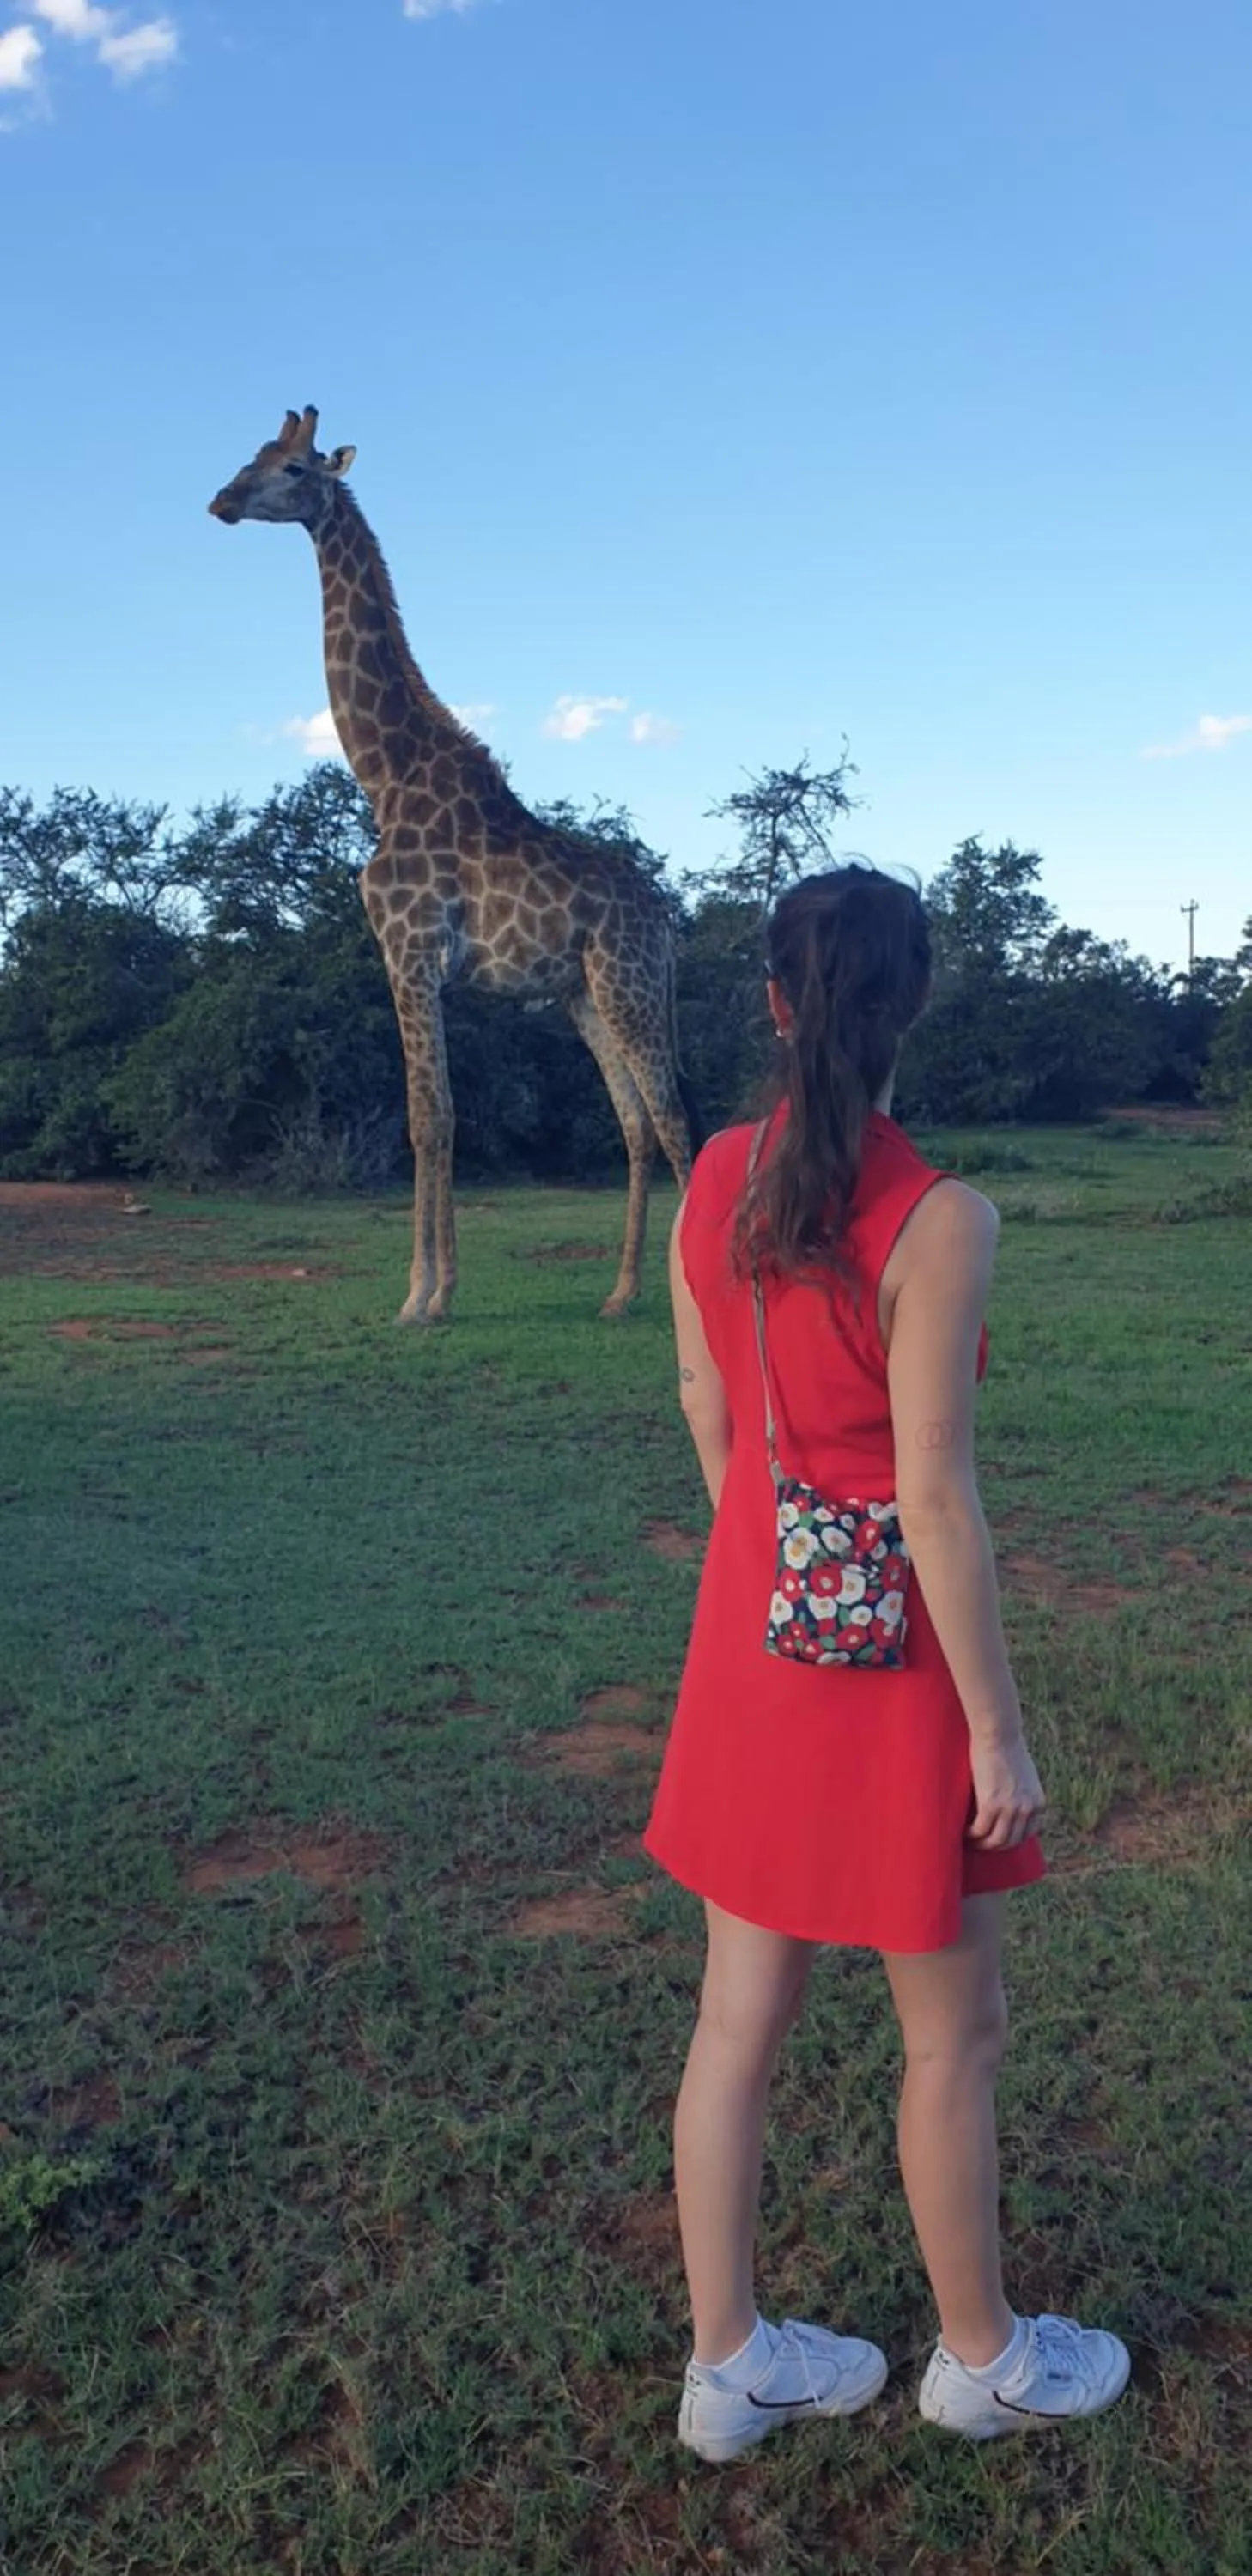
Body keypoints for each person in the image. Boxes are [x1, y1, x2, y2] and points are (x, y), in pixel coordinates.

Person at [642, 866, 1130, 2464]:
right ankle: (980, 2359)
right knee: (954, 2034)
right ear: (914, 1002)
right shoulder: (941, 1218)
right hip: (894, 1674)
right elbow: (930, 1496)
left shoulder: (712, 1176)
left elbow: (715, 1418)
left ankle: (729, 2369)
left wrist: (771, 1568)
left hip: (752, 1648)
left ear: (775, 1005)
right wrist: (995, 1732)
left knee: (734, 2025)